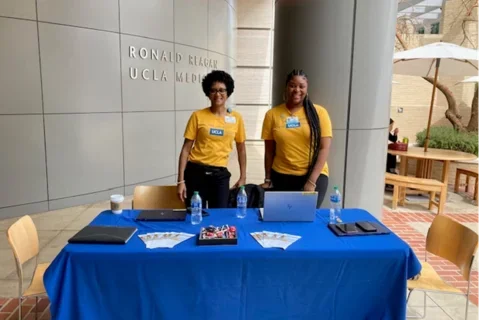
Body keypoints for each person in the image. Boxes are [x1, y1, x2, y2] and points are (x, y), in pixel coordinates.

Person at [260, 69, 333, 208]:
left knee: (306, 218)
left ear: (307, 88)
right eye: (293, 85)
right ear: (286, 87)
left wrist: (311, 181)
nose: (297, 90)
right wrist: (268, 178)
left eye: (301, 86)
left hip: (313, 175)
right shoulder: (272, 115)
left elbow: (324, 147)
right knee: (282, 218)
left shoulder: (319, 113)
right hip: (282, 176)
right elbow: (269, 151)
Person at [176, 70, 247, 209]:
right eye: (213, 90)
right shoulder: (197, 116)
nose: (218, 94)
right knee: (195, 215)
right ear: (208, 93)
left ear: (228, 92)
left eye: (221, 90)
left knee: (219, 218)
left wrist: (243, 176)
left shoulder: (236, 118)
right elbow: (185, 150)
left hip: (220, 175)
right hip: (195, 173)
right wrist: (180, 181)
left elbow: (241, 149)